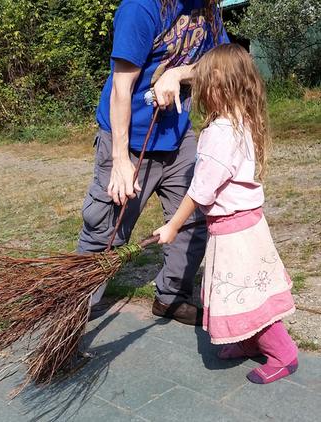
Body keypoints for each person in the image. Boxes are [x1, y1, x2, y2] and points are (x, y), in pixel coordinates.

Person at [153, 43, 299, 384]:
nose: (199, 91)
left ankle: (284, 354)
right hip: (244, 227)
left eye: (203, 83)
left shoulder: (220, 133)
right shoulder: (241, 120)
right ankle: (248, 341)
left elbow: (201, 189)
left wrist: (173, 225)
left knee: (246, 294)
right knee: (244, 292)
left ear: (219, 86)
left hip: (235, 233)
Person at [78, 0, 229, 325]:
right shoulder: (142, 7)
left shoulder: (209, 7)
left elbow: (223, 64)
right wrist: (119, 160)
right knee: (106, 228)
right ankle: (77, 303)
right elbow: (122, 86)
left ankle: (172, 297)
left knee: (191, 220)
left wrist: (178, 72)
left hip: (177, 134)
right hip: (128, 138)